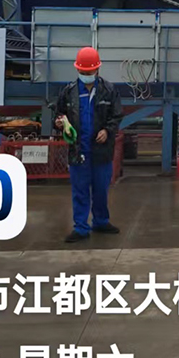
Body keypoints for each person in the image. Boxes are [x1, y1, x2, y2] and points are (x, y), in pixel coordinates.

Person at [53, 46, 121, 242]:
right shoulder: (68, 92)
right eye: (83, 72)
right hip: (78, 149)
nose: (86, 75)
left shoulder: (109, 91)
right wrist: (60, 123)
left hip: (101, 150)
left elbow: (116, 116)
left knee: (101, 189)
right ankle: (81, 227)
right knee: (80, 190)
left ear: (97, 69)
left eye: (89, 72)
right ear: (77, 69)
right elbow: (59, 115)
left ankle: (101, 221)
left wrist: (107, 131)